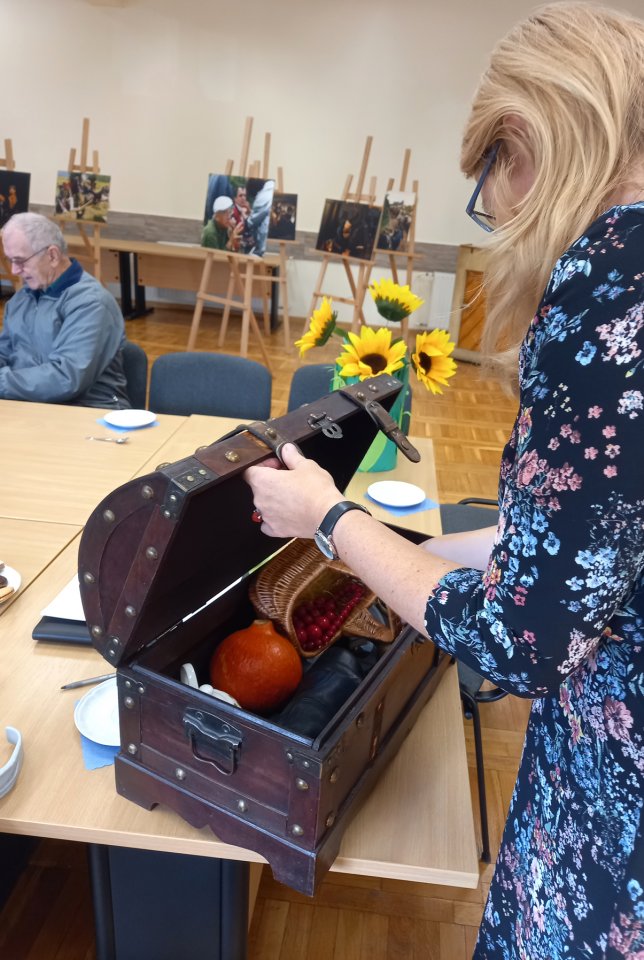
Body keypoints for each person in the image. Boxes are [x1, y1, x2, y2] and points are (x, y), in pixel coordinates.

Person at [245, 4, 644, 957]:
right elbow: (571, 554)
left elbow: (519, 641)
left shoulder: (611, 294)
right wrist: (407, 554)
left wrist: (333, 520)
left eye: (487, 180)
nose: (497, 214)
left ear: (526, 144)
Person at [0, 213, 130, 408]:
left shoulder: (91, 303)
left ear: (52, 255)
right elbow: (5, 353)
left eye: (20, 261)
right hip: (32, 407)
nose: (15, 271)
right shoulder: (21, 299)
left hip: (88, 412)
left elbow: (66, 378)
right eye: (10, 260)